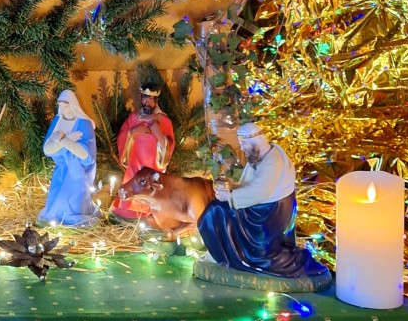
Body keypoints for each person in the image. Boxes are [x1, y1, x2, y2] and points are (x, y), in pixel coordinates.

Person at [197, 122, 329, 278]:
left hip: (269, 215)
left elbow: (259, 191)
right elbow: (251, 184)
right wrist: (233, 188)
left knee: (215, 211)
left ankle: (223, 254)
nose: (242, 149)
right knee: (216, 209)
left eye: (244, 144)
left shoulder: (273, 162)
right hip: (262, 208)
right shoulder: (260, 156)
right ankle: (220, 253)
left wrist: (230, 197)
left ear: (255, 142)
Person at [110, 80, 175, 221]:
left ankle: (149, 215)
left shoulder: (164, 121)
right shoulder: (134, 118)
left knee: (151, 189)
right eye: (145, 98)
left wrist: (158, 134)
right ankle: (128, 213)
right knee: (131, 187)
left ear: (156, 101)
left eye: (150, 99)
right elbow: (124, 135)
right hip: (135, 164)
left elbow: (169, 146)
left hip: (153, 166)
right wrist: (132, 133)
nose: (147, 102)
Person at [37, 90, 98, 227]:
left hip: (77, 172)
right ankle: (58, 218)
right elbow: (47, 149)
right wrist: (67, 140)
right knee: (55, 200)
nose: (64, 109)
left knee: (72, 202)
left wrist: (61, 140)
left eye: (66, 106)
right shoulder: (58, 120)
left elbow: (85, 154)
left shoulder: (84, 123)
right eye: (61, 106)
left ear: (73, 105)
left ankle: (72, 218)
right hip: (61, 170)